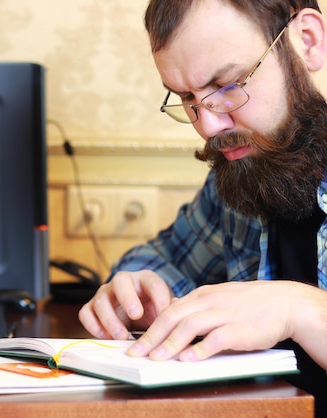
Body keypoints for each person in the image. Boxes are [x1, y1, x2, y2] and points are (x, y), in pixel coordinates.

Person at [78, 0, 327, 414]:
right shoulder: (242, 176)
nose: (208, 127)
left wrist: (299, 308)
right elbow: (165, 260)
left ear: (308, 41)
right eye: (188, 98)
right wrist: (136, 294)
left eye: (229, 85)